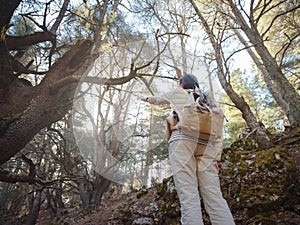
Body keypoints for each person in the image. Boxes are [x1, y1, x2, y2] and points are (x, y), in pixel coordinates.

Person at [139, 74, 235, 225]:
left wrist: (143, 98)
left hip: (181, 142)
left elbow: (156, 99)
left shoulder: (176, 93)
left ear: (181, 84)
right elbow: (218, 129)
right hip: (206, 145)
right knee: (214, 196)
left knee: (188, 195)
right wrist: (216, 157)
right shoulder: (207, 99)